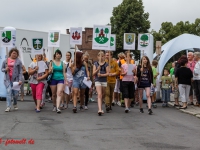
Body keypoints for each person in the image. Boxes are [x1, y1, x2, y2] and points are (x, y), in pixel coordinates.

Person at [93, 51, 109, 116]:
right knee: (99, 94)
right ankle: (99, 109)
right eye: (99, 56)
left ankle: (101, 107)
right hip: (97, 80)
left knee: (103, 94)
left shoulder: (106, 64)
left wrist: (102, 75)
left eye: (102, 56)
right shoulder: (95, 64)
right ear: (97, 57)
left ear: (104, 57)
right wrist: (97, 69)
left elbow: (108, 73)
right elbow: (93, 73)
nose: (101, 57)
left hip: (104, 81)